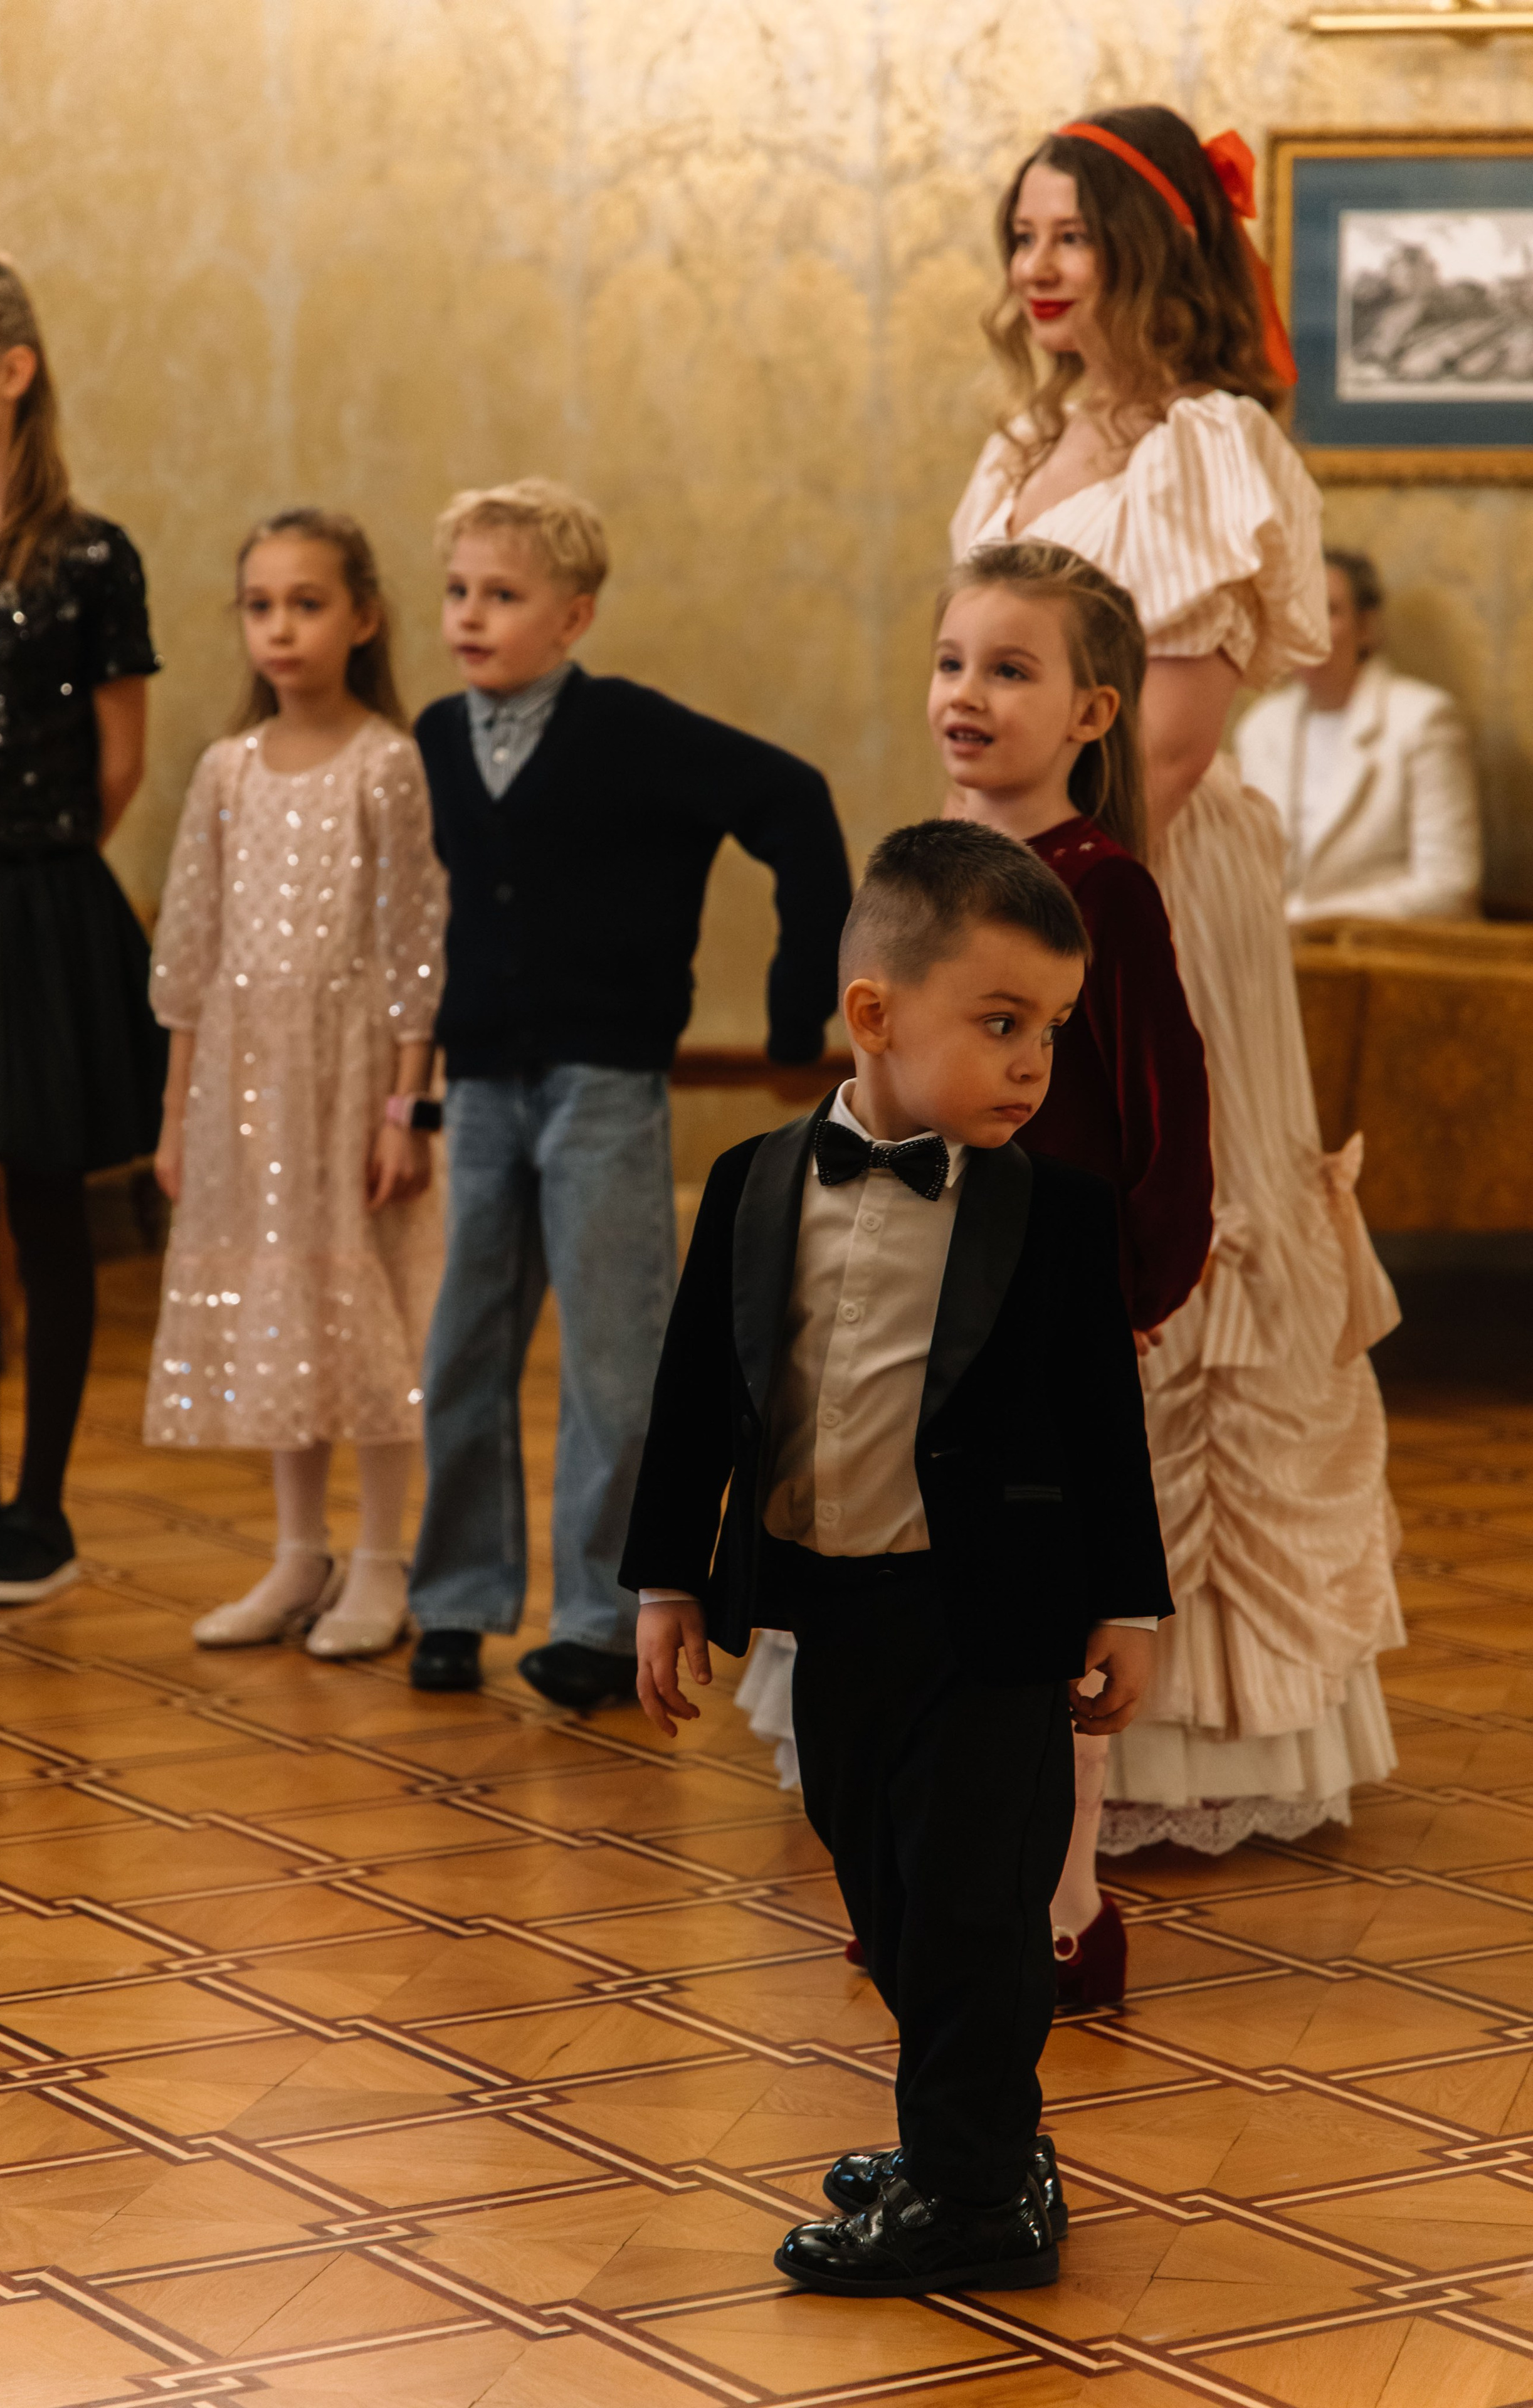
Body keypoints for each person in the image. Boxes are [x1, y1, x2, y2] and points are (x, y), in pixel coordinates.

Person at [624, 821, 1172, 2298]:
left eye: (1047, 1031)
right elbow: (694, 1393)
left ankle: (968, 2192)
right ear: (874, 1015)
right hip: (832, 1607)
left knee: (974, 1908)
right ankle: (977, 2139)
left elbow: (1101, 1421)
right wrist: (667, 1579)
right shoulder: (749, 1183)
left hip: (989, 1620)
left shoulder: (1048, 1210)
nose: (1029, 1065)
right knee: (879, 1887)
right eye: (998, 1025)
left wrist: (1130, 1598)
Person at [951, 107, 1404, 1879]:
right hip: (1015, 862)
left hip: (1146, 872)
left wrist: (1043, 877)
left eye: (1068, 236)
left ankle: (1178, 1726)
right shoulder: (1018, 449)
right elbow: (986, 670)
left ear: (1150, 255)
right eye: (1023, 237)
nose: (1038, 270)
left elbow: (1183, 732)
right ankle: (1001, 1682)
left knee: (1157, 1225)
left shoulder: (1216, 447)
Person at [408, 477, 851, 1712]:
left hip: (602, 1089)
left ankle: (604, 1621)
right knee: (462, 1349)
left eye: (502, 594)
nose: (470, 615)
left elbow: (792, 804)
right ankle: (452, 1598)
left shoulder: (633, 734)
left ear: (574, 614)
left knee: (612, 1364)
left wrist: (787, 1008)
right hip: (481, 1086)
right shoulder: (436, 740)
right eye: (456, 591)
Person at [935, 539, 1212, 2002]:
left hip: (1054, 1311)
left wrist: (1134, 1292)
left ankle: (1062, 1906)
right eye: (949, 661)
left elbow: (1165, 1111)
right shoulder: (926, 872)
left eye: (1007, 667)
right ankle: (958, 1888)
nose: (964, 693)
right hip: (930, 1304)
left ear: (1091, 714)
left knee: (1055, 1611)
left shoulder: (1100, 891)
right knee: (951, 1604)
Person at [145, 509, 448, 1659]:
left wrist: (406, 1109)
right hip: (246, 1082)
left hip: (357, 1080)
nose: (281, 627)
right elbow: (190, 949)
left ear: (362, 617)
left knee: (364, 1314)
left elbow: (421, 942)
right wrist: (179, 1115)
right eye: (261, 605)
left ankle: (381, 1561)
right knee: (283, 1309)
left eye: (307, 603)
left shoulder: (390, 765)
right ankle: (296, 1553)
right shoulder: (226, 772)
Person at [0, 252, 164, 1605]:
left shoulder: (87, 557)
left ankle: (41, 1510)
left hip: (33, 906)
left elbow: (118, 761)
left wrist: (26, 871)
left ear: (13, 375)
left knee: (40, 1197)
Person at [1235, 547, 1482, 924]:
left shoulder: (1424, 720)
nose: (1306, 628)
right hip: (1275, 955)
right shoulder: (1260, 726)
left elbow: (1449, 884)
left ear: (1367, 627)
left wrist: (1307, 917)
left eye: (1328, 611)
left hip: (1392, 959)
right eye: (1294, 611)